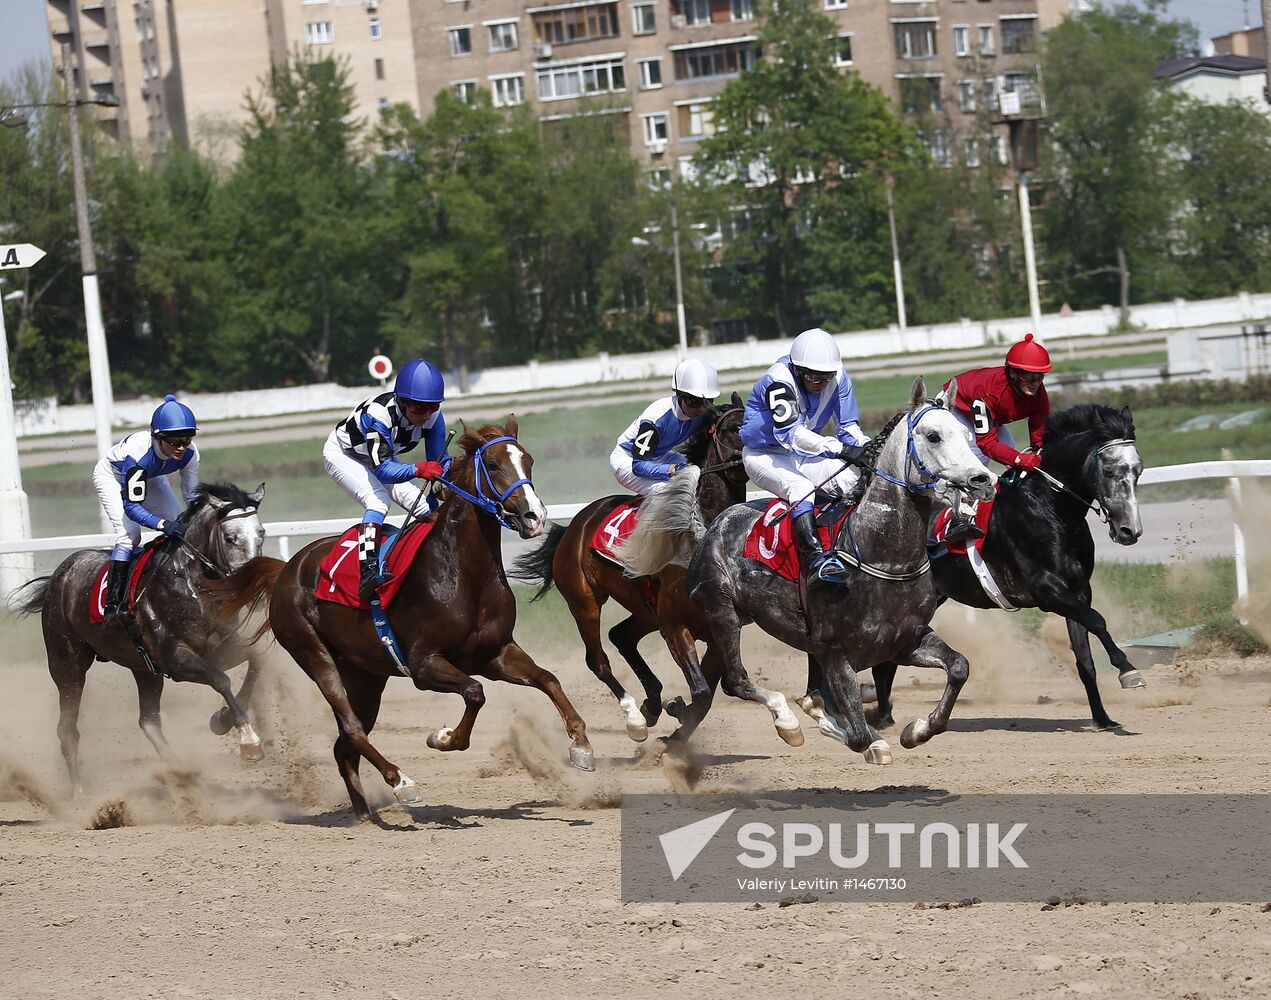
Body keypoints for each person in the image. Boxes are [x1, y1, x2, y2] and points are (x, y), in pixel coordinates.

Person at [740, 328, 870, 584]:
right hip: (764, 455)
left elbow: (848, 427)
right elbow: (791, 434)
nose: (822, 385)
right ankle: (815, 559)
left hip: (803, 454)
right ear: (798, 370)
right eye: (814, 378)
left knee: (853, 480)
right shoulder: (778, 380)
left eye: (827, 378)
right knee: (801, 487)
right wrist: (840, 449)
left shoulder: (839, 376)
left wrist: (869, 448)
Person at [325, 358, 452, 601]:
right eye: (418, 407)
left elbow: (439, 461)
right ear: (403, 402)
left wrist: (449, 475)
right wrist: (418, 469)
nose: (426, 415)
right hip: (344, 454)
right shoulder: (379, 415)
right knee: (378, 501)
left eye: (432, 407)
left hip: (383, 457)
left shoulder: (435, 418)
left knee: (427, 508)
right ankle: (368, 571)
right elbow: (382, 470)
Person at [93, 394, 201, 622]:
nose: (181, 447)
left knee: (183, 525)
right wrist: (162, 525)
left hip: (152, 478)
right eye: (174, 442)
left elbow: (192, 496)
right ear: (158, 437)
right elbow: (132, 507)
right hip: (112, 477)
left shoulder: (191, 454)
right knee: (129, 535)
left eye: (187, 440)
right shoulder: (139, 453)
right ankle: (113, 603)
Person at [941, 332, 1052, 542]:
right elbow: (987, 444)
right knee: (976, 462)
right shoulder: (991, 391)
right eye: (1029, 377)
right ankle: (956, 519)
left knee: (1011, 456)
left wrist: (1038, 450)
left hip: (990, 415)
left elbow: (1039, 422)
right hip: (958, 407)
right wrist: (1020, 458)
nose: (1036, 382)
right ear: (1013, 374)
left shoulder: (1037, 391)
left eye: (1040, 376)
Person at [610, 359, 721, 496]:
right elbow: (638, 466)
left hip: (661, 455)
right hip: (628, 460)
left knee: (703, 474)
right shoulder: (656, 418)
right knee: (677, 492)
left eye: (707, 402)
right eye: (694, 401)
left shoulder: (702, 412)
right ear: (679, 394)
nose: (701, 409)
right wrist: (673, 469)